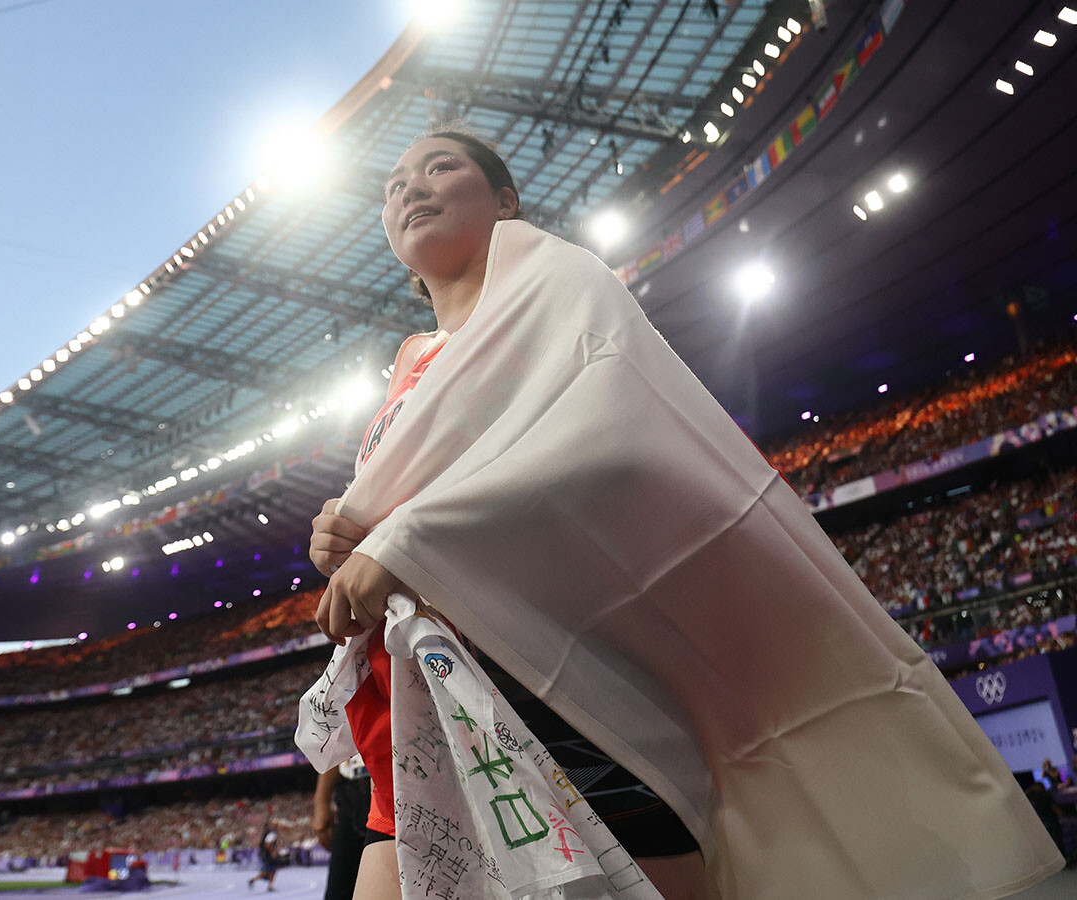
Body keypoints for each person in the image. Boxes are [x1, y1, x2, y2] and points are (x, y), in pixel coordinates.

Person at [304, 128, 1062, 900]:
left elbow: (609, 445)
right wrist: (345, 527)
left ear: (506, 201)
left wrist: (412, 537)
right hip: (421, 704)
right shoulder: (407, 361)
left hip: (562, 682)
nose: (412, 188)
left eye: (441, 167)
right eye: (394, 184)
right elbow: (392, 508)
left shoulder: (558, 284)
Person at [312, 755, 371, 900]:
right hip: (351, 795)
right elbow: (335, 742)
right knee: (338, 891)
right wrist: (321, 801)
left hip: (395, 790)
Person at [247, 826, 280, 892]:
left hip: (269, 860)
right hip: (270, 860)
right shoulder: (269, 842)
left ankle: (255, 881)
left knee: (269, 872)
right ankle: (254, 880)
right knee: (268, 872)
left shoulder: (267, 841)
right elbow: (271, 851)